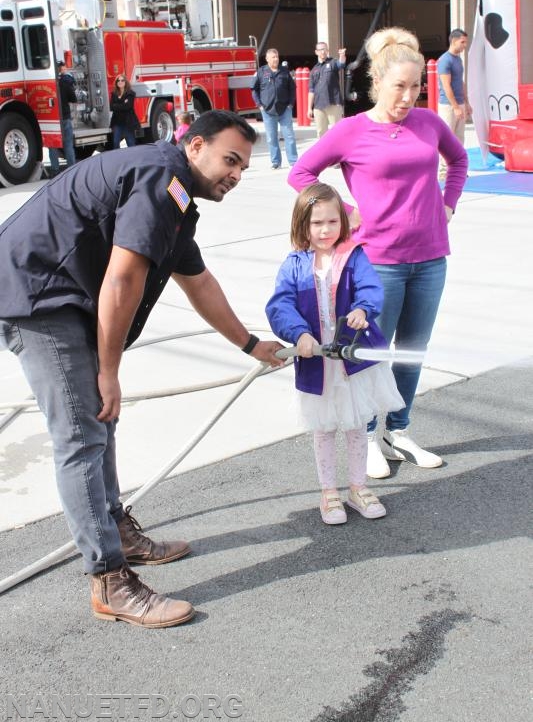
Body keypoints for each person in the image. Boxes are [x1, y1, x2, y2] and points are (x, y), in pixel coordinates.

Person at [0, 111, 284, 628]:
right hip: (36, 297)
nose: (237, 174)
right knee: (83, 433)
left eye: (243, 166)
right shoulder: (160, 181)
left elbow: (198, 282)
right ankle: (109, 579)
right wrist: (109, 370)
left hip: (61, 296)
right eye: (230, 159)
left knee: (99, 420)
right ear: (194, 145)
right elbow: (122, 281)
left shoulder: (176, 196)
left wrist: (251, 345)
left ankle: (115, 531)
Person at [288, 27, 468, 480]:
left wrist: (449, 202)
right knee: (369, 353)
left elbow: (459, 160)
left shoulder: (428, 123)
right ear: (378, 84)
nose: (409, 97)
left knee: (412, 350)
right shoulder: (351, 131)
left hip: (430, 258)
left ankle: (398, 430)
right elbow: (302, 173)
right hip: (376, 263)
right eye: (399, 87)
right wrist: (346, 215)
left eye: (415, 87)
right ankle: (367, 435)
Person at [266, 183, 404, 524]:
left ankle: (358, 488)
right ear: (302, 226)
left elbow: (370, 288)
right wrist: (299, 334)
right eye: (316, 223)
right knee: (324, 429)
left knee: (357, 424)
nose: (325, 230)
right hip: (317, 362)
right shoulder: (294, 265)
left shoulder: (353, 256)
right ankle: (329, 492)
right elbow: (280, 304)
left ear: (342, 222)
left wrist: (363, 309)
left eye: (332, 221)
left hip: (352, 359)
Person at [251, 48, 298, 170]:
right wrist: (259, 105)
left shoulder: (284, 72)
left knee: (289, 136)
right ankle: (276, 162)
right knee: (272, 138)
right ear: (267, 59)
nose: (276, 59)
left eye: (277, 57)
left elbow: (292, 88)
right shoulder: (261, 72)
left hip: (284, 110)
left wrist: (290, 104)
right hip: (268, 111)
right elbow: (254, 90)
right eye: (273, 57)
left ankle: (293, 161)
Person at [437, 29, 472, 180]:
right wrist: (456, 107)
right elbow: (446, 86)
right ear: (454, 41)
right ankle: (444, 171)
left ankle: (457, 169)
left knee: (459, 137)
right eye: (462, 42)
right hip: (448, 105)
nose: (464, 45)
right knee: (447, 137)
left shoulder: (458, 59)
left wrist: (466, 102)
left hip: (459, 103)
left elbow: (460, 82)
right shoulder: (445, 60)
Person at [307, 42, 347, 137]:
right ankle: (324, 152)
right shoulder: (314, 70)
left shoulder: (332, 62)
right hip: (318, 106)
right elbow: (311, 90)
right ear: (316, 52)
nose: (323, 51)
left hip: (333, 103)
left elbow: (341, 64)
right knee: (321, 133)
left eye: (325, 49)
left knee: (337, 131)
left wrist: (342, 55)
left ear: (327, 50)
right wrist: (309, 108)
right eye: (320, 49)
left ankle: (338, 152)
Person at [48, 61, 77, 176]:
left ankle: (55, 171)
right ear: (61, 69)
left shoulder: (48, 83)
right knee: (68, 145)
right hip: (65, 116)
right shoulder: (66, 82)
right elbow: (73, 98)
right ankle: (72, 169)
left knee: (52, 146)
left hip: (51, 118)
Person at [109, 74, 139, 149]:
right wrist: (123, 104)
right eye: (118, 80)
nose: (120, 82)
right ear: (116, 83)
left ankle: (133, 158)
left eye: (122, 80)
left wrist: (117, 105)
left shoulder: (130, 93)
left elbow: (128, 106)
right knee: (116, 143)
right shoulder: (114, 94)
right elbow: (111, 107)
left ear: (126, 82)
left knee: (131, 143)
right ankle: (118, 158)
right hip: (117, 123)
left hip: (128, 122)